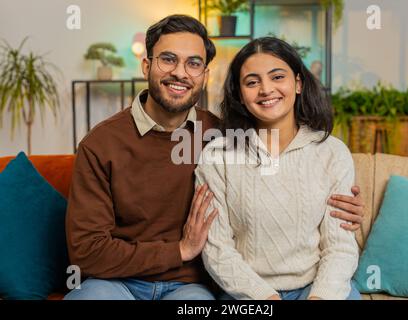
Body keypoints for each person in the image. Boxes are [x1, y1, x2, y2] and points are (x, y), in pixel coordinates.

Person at [64, 15, 363, 300]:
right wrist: (180, 250)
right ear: (146, 66)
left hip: (186, 286)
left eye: (193, 63)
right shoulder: (101, 144)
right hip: (115, 282)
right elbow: (86, 251)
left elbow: (319, 222)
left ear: (205, 76)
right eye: (168, 59)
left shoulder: (220, 134)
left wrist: (345, 209)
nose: (180, 72)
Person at [196, 37, 361, 300]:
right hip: (247, 293)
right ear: (239, 94)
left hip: (317, 287)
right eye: (252, 82)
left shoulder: (333, 153)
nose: (265, 89)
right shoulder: (218, 156)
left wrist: (320, 297)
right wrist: (268, 299)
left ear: (297, 84)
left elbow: (340, 247)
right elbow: (217, 249)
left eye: (277, 77)